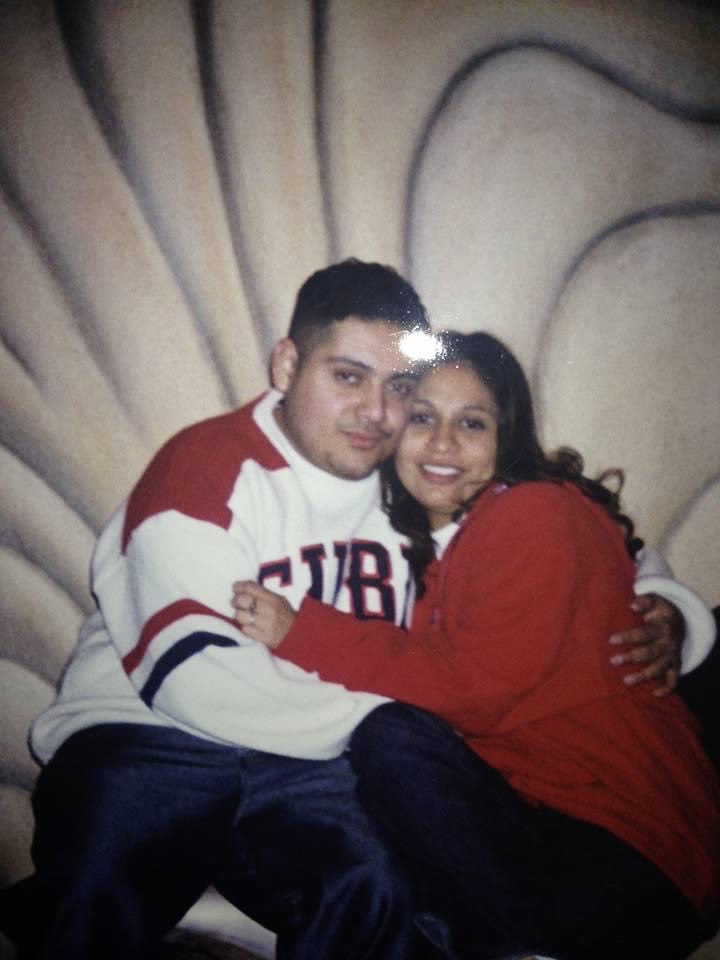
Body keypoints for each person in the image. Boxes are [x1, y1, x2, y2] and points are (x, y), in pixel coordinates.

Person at [0, 261, 709, 959]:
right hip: (150, 735)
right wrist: (386, 721)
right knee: (93, 889)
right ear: (287, 366)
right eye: (348, 377)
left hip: (310, 766)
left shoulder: (410, 492)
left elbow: (575, 543)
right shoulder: (207, 466)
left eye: (398, 388)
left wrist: (671, 609)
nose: (376, 413)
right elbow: (191, 676)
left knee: (375, 893)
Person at [232, 330, 720, 960]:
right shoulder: (429, 546)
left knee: (391, 738)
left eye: (471, 423)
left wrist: (301, 630)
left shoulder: (532, 513)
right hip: (540, 826)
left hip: (629, 844)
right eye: (422, 418)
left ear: (505, 437)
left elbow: (472, 688)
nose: (442, 443)